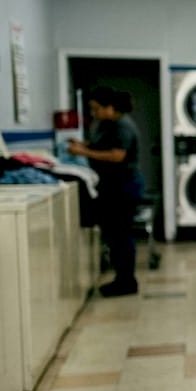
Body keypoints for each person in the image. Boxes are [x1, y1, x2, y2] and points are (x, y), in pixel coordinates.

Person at [67, 87, 143, 298]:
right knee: (116, 235)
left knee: (120, 235)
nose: (94, 113)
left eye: (96, 108)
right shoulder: (108, 125)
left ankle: (126, 281)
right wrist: (84, 145)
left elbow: (117, 155)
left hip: (123, 187)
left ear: (110, 108)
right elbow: (103, 146)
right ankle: (122, 278)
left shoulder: (122, 126)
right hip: (114, 187)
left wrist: (83, 151)